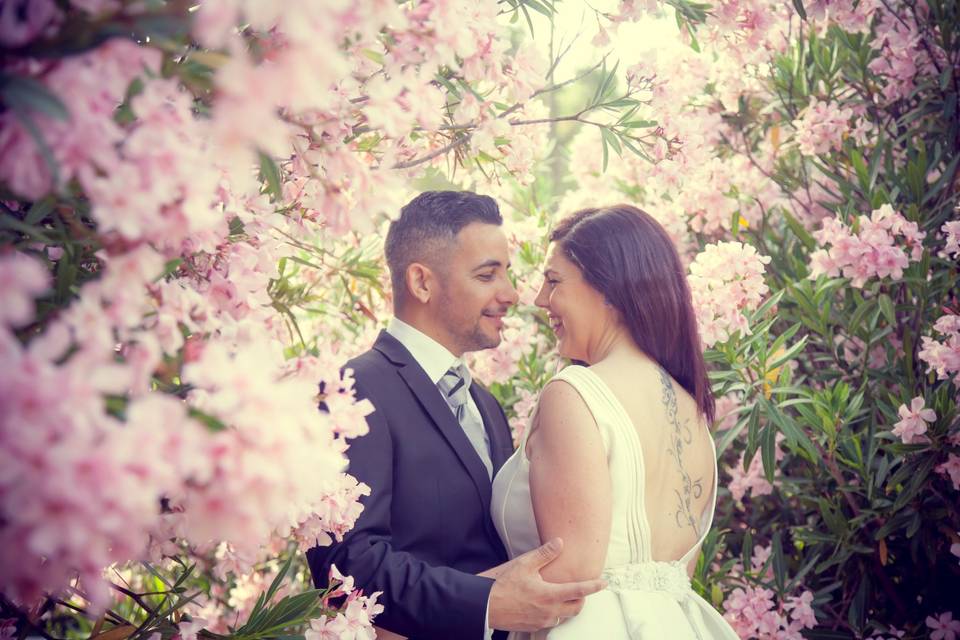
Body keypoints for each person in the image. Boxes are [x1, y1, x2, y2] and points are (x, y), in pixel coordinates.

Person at [307, 191, 606, 640]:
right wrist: (486, 604)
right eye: (488, 275)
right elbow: (346, 563)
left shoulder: (485, 405)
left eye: (507, 273)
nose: (510, 294)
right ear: (422, 282)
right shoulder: (353, 390)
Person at [491, 204, 741, 639]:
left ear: (609, 290)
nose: (539, 300)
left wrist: (422, 605)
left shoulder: (574, 393)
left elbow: (570, 571)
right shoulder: (692, 408)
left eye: (553, 281)